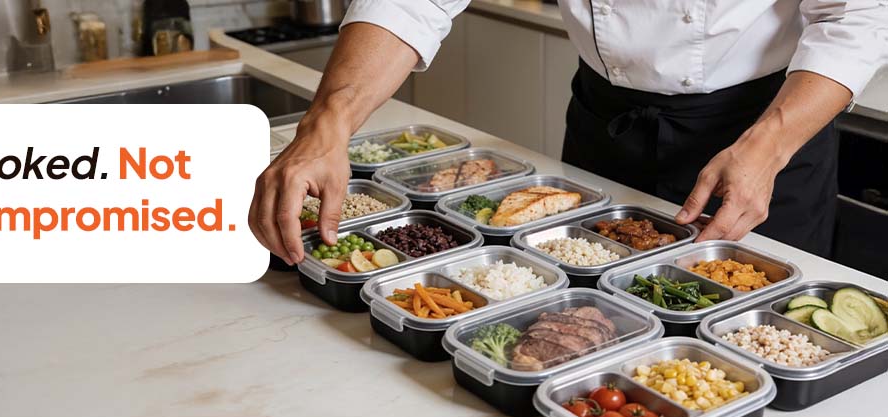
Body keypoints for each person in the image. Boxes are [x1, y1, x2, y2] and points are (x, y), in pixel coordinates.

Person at [250, 0, 888, 266]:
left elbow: (857, 14)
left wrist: (768, 145)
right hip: (606, 123)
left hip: (766, 129)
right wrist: (325, 126)